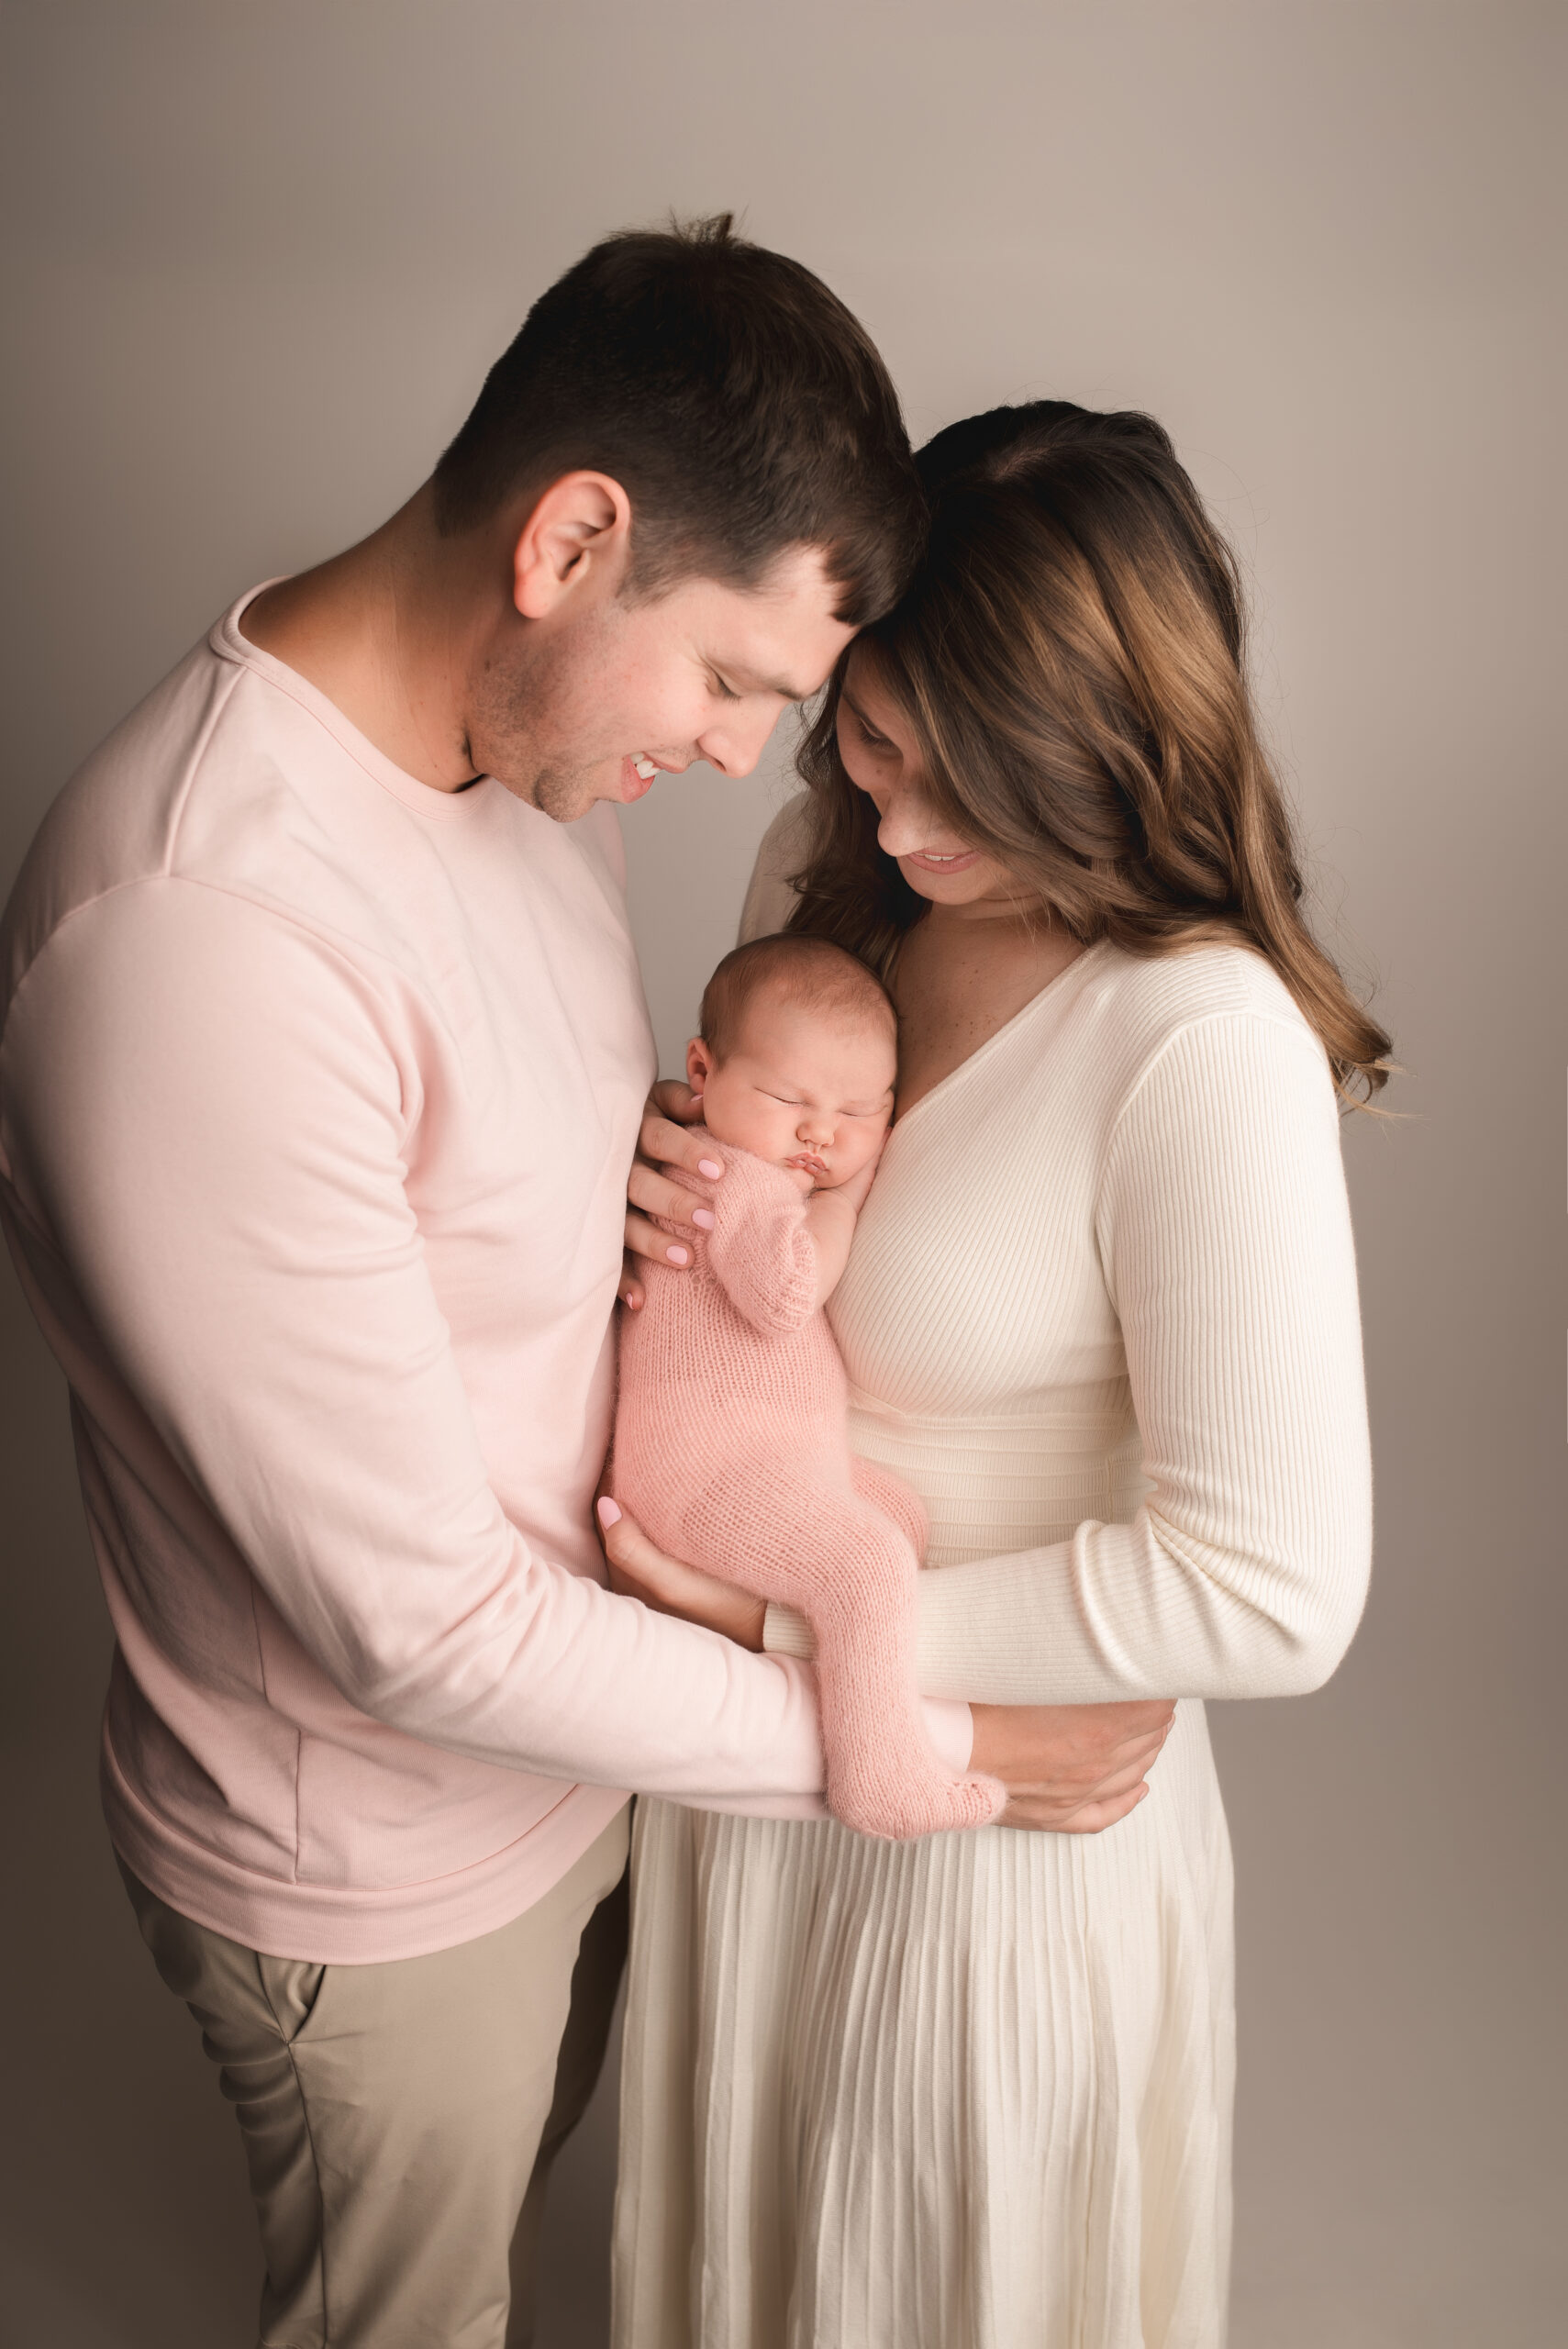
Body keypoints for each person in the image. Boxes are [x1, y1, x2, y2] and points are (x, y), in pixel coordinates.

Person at [0, 221, 1134, 2349]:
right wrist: (920, 1734)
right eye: (728, 681)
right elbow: (412, 1625)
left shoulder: (532, 765)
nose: (732, 759)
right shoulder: (197, 935)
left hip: (597, 1757)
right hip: (385, 1872)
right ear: (573, 539)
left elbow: (483, 1165)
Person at [603, 400, 1387, 2347]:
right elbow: (777, 1282)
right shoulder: (835, 880)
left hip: (988, 1833)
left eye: (968, 791)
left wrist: (774, 1629)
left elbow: (1267, 1588)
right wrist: (656, 1183)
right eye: (871, 741)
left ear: (1111, 769)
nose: (893, 823)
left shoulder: (1196, 1041)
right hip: (758, 1794)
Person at [608, 933, 1005, 1841]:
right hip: (705, 1470)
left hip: (764, 1454)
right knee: (864, 1562)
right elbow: (786, 1292)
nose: (820, 1133)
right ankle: (883, 1777)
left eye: (859, 1111)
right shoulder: (734, 1176)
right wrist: (841, 1199)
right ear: (700, 1074)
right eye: (789, 1099)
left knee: (896, 1519)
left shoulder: (736, 1164)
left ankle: (858, 1697)